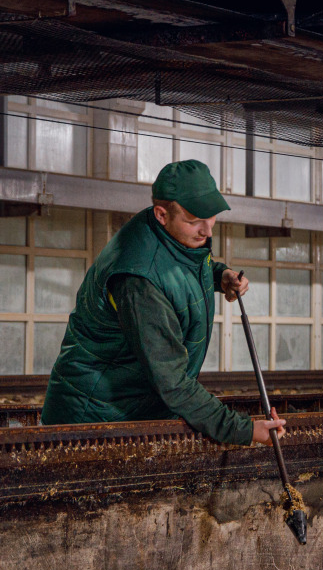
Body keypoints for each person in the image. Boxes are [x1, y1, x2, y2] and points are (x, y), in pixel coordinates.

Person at [41, 159, 286, 446]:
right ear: (161, 214)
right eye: (194, 220)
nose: (207, 231)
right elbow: (173, 382)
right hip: (95, 421)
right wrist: (243, 429)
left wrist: (219, 275)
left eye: (212, 217)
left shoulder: (170, 235)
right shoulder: (139, 281)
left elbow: (180, 268)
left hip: (131, 408)